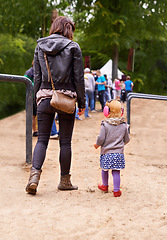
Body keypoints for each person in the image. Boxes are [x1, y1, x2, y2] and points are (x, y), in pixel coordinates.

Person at [25, 16, 85, 195]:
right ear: (68, 29)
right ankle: (65, 181)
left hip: (44, 96)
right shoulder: (73, 47)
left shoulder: (40, 46)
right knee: (65, 141)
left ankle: (34, 177)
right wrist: (82, 102)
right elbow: (78, 78)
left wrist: (36, 98)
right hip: (66, 98)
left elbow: (37, 76)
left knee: (42, 139)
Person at [94, 100, 130, 197]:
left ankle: (105, 186)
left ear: (107, 111)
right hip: (118, 154)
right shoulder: (123, 125)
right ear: (121, 111)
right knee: (116, 171)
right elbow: (127, 139)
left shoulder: (105, 125)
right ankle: (116, 191)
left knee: (104, 169)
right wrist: (119, 145)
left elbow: (101, 138)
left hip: (106, 153)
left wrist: (97, 144)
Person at [24, 61, 38, 137]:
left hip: (37, 97)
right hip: (31, 97)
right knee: (32, 115)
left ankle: (38, 130)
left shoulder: (40, 71)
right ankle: (33, 131)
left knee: (38, 115)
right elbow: (24, 80)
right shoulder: (29, 72)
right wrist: (33, 85)